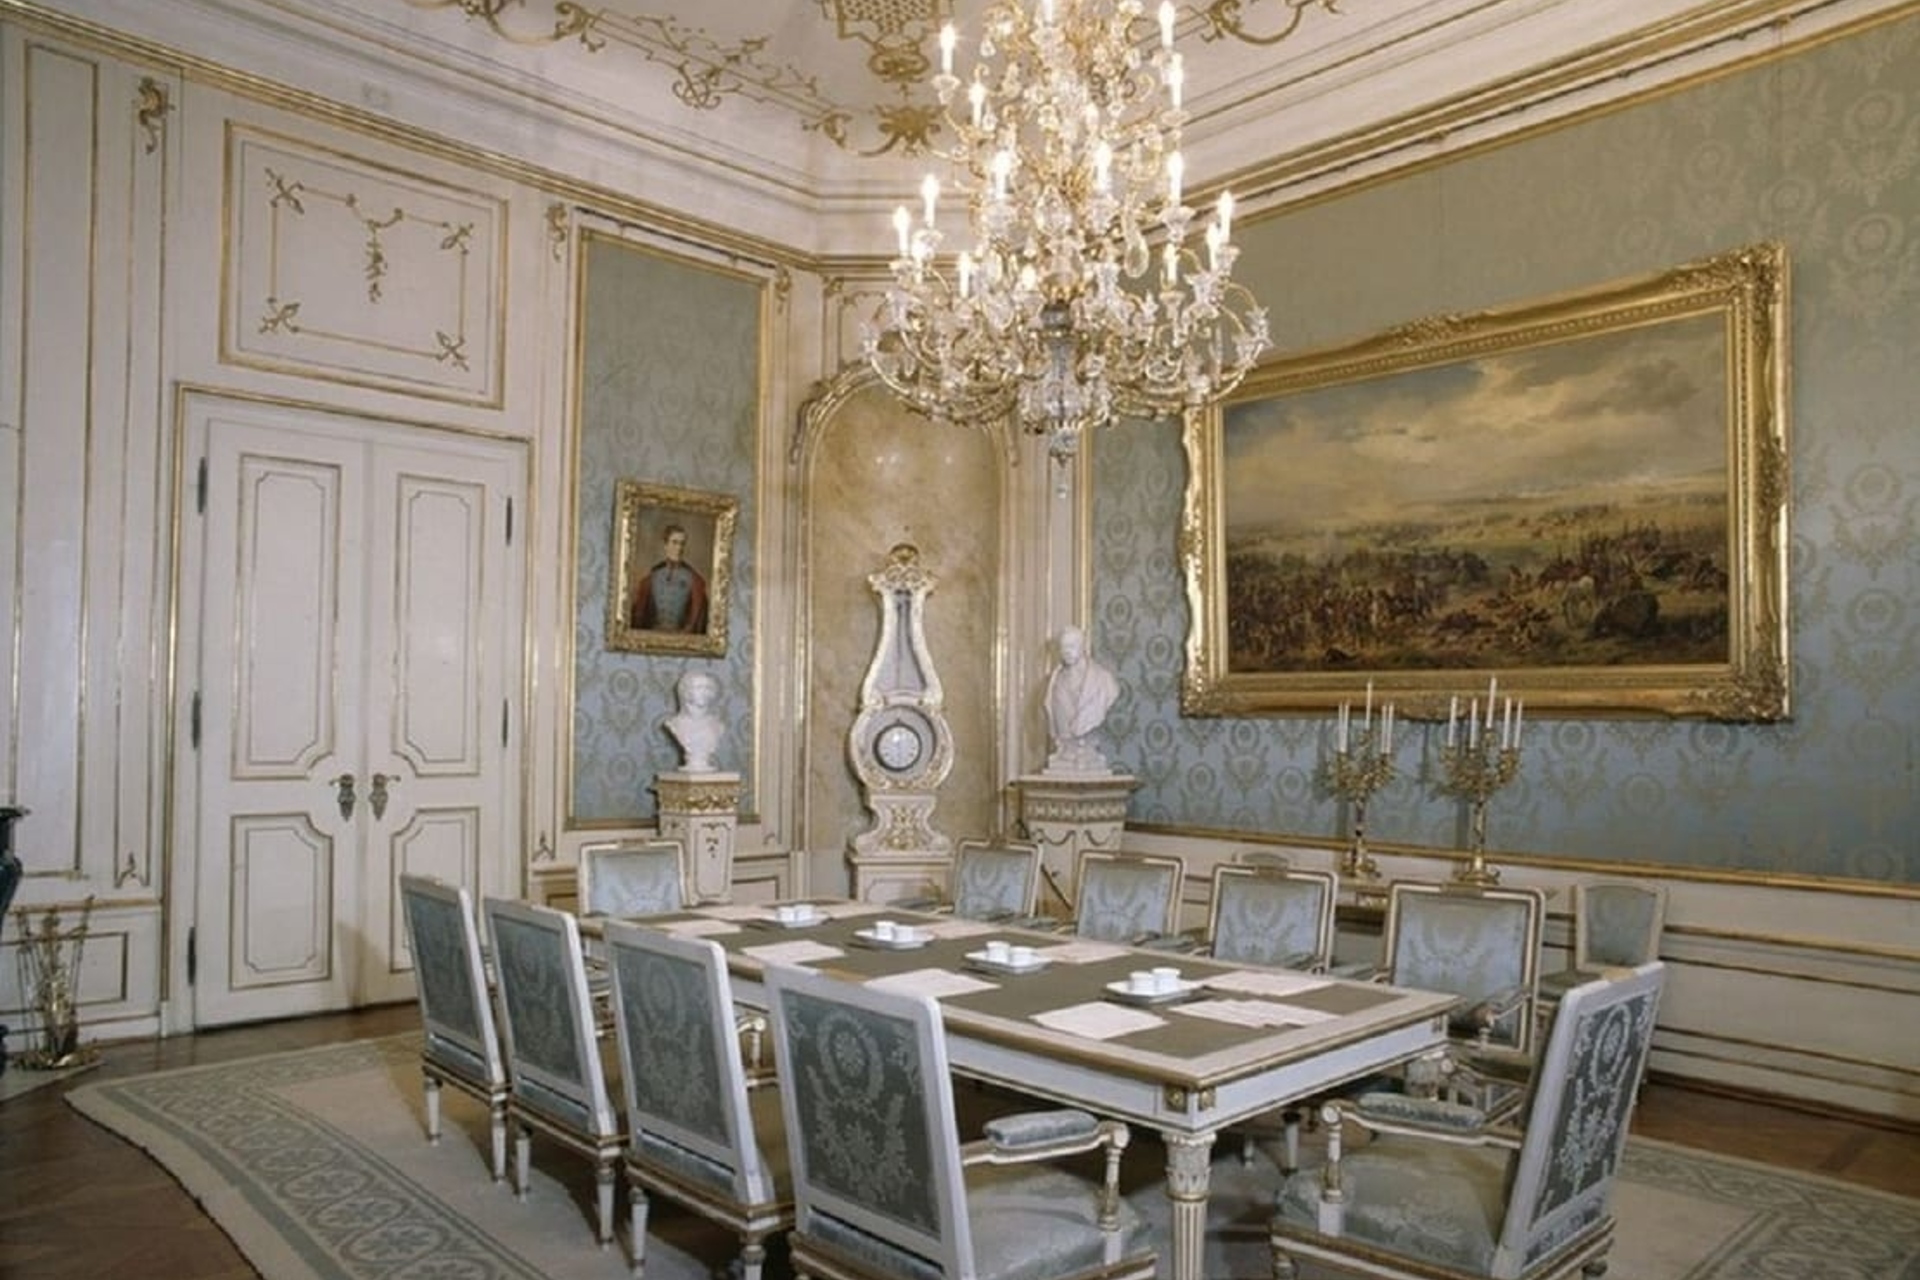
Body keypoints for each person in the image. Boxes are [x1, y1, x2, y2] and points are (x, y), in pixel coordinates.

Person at [1043, 625, 1121, 775]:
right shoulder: (1054, 680)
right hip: (1063, 752)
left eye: (1071, 646)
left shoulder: (1103, 680)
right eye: (1063, 647)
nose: (1066, 651)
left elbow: (1107, 697)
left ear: (1083, 646)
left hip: (1087, 755)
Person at [630, 523, 709, 633]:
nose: (679, 548)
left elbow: (699, 621)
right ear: (665, 545)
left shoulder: (694, 580)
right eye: (674, 543)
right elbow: (639, 617)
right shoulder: (651, 578)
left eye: (682, 544)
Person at [664, 671, 723, 772]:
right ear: (685, 692)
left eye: (708, 688)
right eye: (698, 687)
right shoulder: (675, 724)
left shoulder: (718, 725)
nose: (704, 692)